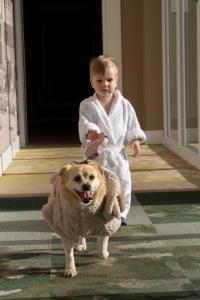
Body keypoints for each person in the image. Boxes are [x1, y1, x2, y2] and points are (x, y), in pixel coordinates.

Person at [78, 55, 146, 226]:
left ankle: (121, 212)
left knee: (123, 182)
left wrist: (135, 140)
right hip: (97, 155)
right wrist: (91, 132)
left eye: (109, 80)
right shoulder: (87, 105)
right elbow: (85, 122)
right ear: (92, 82)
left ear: (116, 81)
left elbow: (132, 124)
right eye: (99, 80)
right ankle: (97, 210)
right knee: (96, 184)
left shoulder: (124, 105)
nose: (105, 84)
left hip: (117, 154)